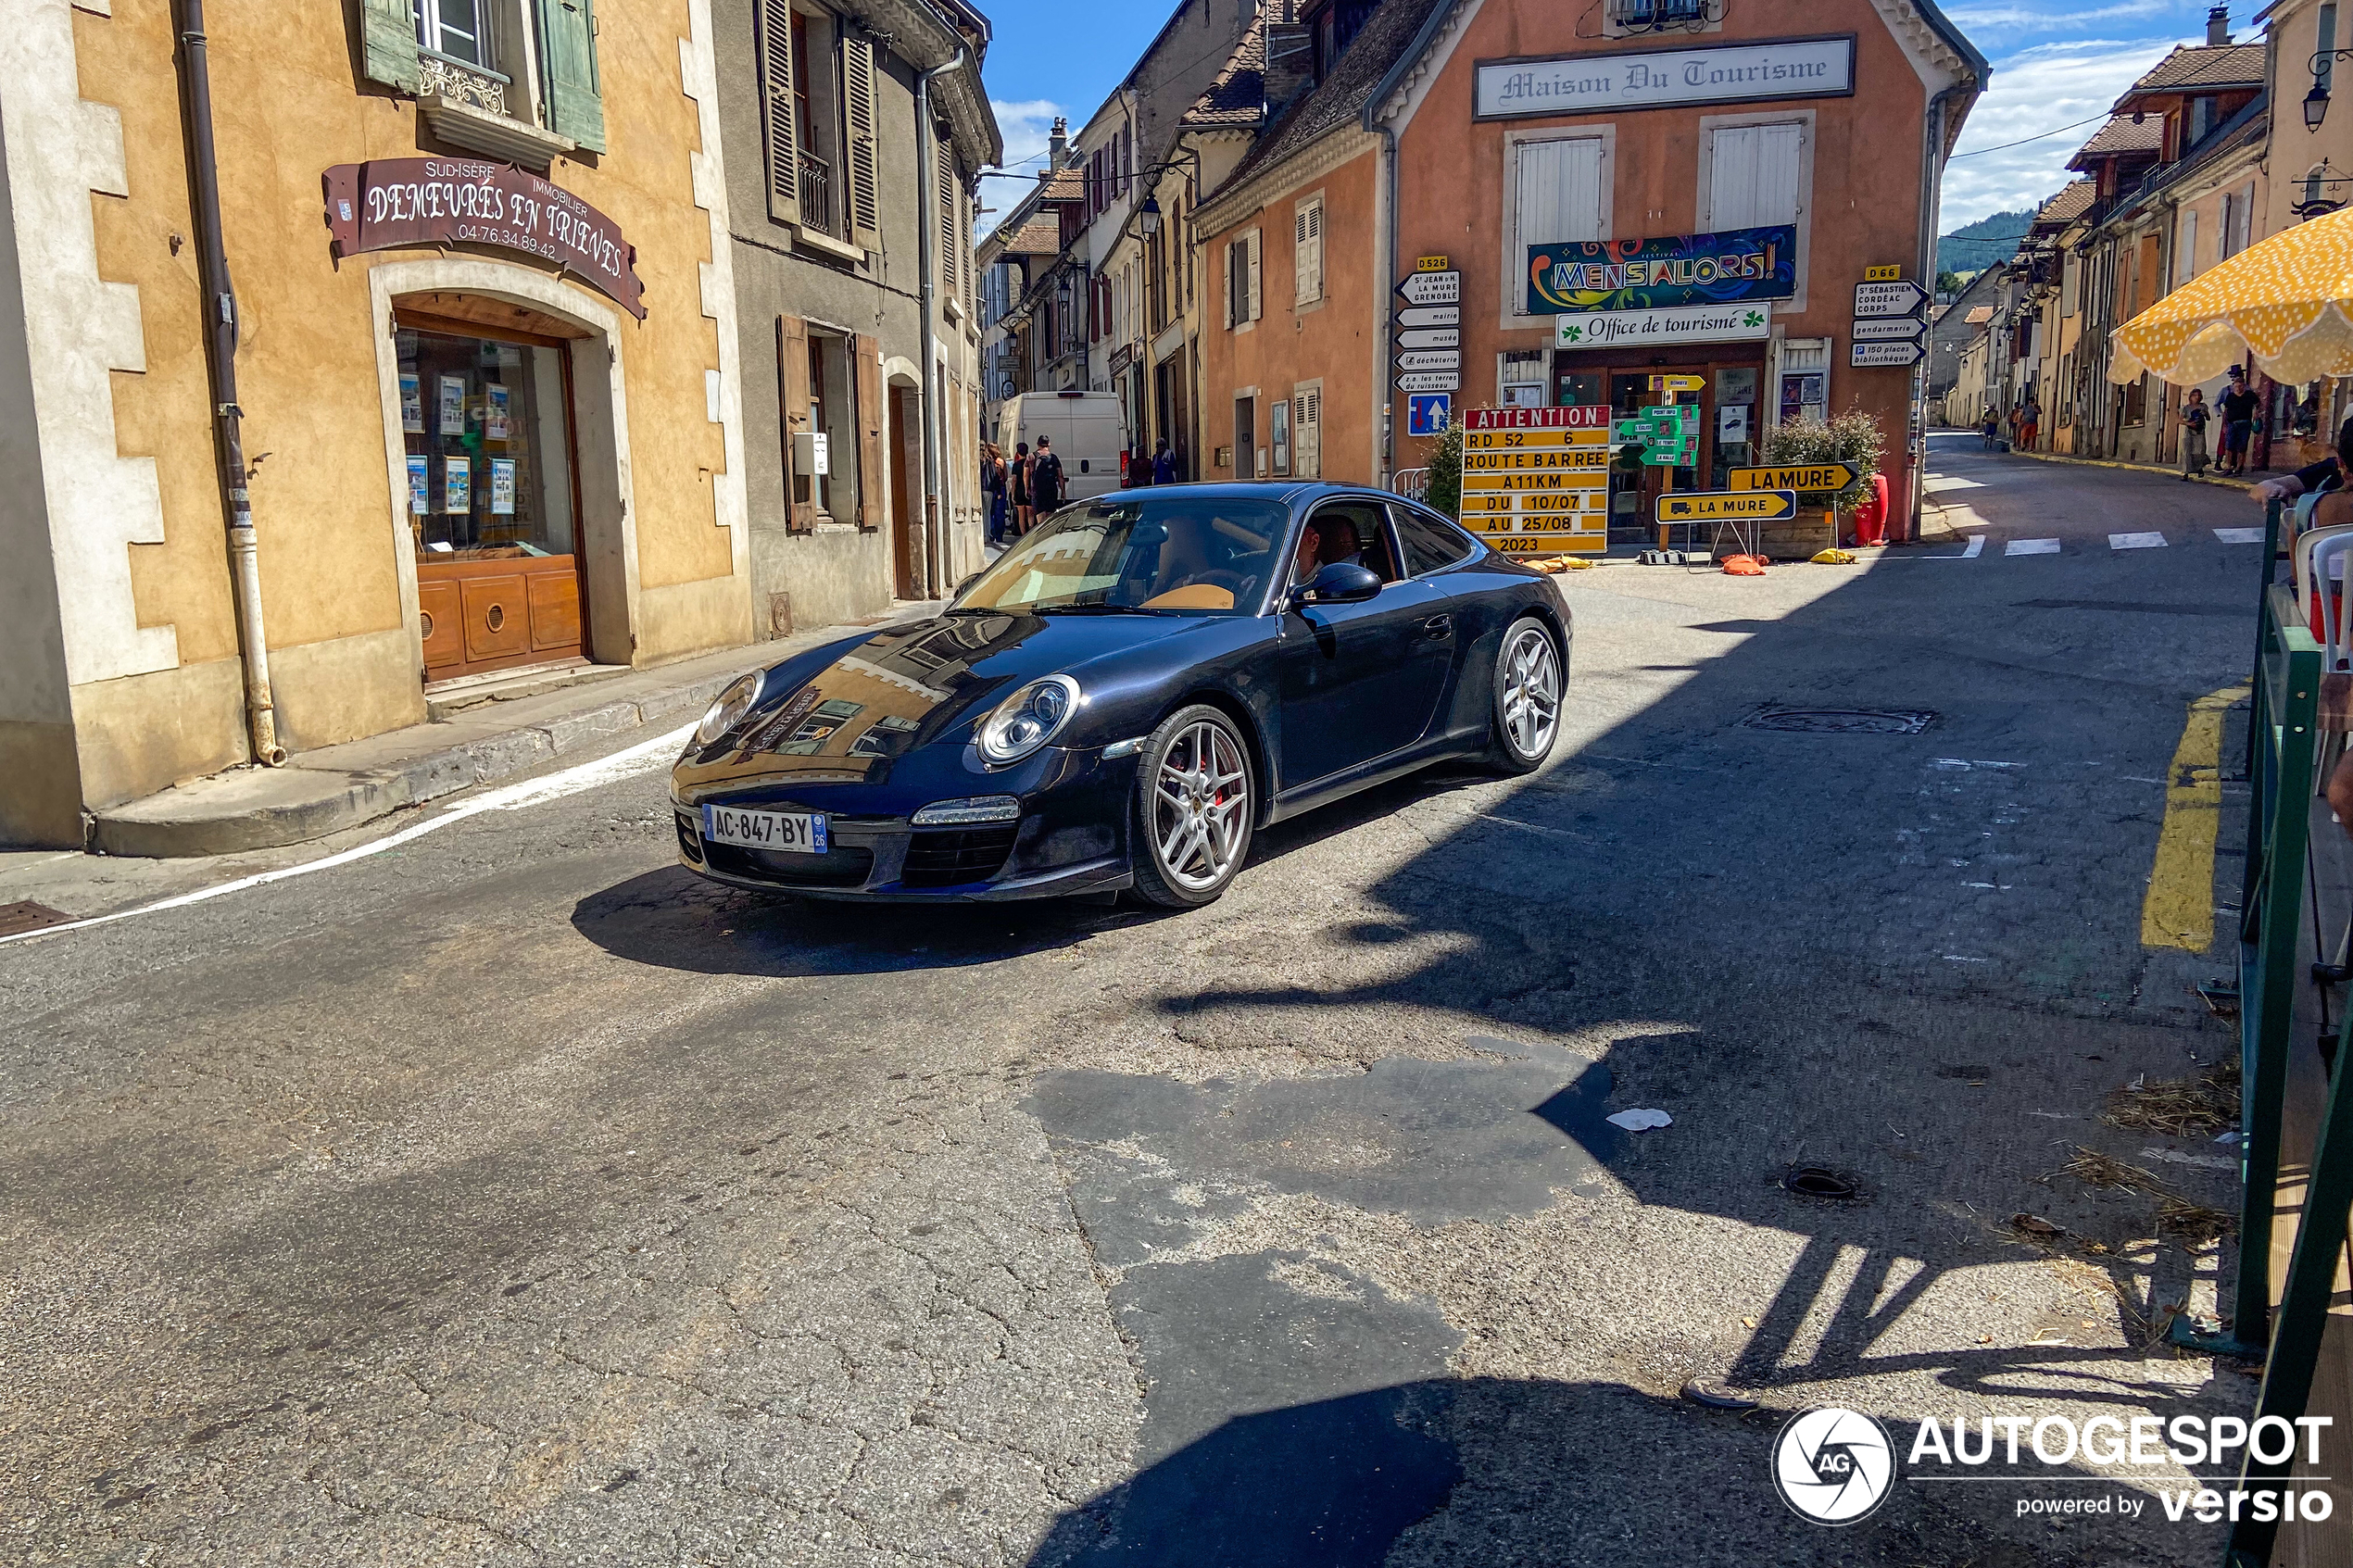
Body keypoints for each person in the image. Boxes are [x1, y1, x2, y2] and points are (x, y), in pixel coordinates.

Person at [2218, 370, 2260, 477]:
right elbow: (2226, 411)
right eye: (2236, 386)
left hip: (2245, 423)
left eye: (2240, 386)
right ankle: (2228, 467)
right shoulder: (2230, 397)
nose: (2238, 388)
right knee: (2229, 446)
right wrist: (2225, 425)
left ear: (2244, 386)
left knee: (2242, 446)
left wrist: (2256, 412)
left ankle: (2238, 468)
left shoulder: (2249, 395)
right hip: (2232, 423)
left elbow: (2258, 404)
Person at [2180, 389, 2210, 482]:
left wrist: (2205, 414)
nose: (2197, 397)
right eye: (2195, 396)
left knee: (2199, 451)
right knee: (2187, 452)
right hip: (2189, 431)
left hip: (2200, 431)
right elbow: (2180, 420)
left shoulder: (2203, 406)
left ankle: (2199, 468)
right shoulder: (2187, 408)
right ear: (2191, 397)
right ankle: (2185, 472)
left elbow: (2208, 418)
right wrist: (2189, 424)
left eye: (2198, 396)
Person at [1030, 435, 1065, 514]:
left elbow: (1027, 474)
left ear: (1038, 444)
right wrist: (1063, 492)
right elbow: (1060, 476)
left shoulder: (1032, 456)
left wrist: (1028, 488)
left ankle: (1041, 526)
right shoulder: (1054, 458)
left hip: (1038, 489)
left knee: (1040, 513)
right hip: (1051, 489)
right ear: (1049, 444)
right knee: (1050, 513)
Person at [983, 443, 1009, 545]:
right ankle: (999, 535)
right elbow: (1005, 476)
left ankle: (991, 533)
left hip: (990, 487)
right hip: (1000, 488)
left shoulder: (987, 461)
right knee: (999, 513)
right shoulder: (1000, 462)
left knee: (990, 512)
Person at [1011, 440, 1032, 533]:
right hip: (1029, 490)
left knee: (1021, 515)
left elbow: (1014, 480)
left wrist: (1012, 493)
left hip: (1019, 491)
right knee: (1030, 515)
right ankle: (1031, 532)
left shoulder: (1016, 465)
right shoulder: (1030, 463)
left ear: (1018, 452)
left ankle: (1023, 535)